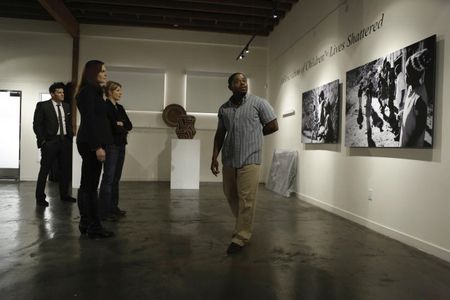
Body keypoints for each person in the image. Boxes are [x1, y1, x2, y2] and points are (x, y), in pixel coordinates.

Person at [211, 73, 278, 255]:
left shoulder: (259, 103)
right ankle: (243, 223)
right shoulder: (224, 109)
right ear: (230, 86)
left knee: (247, 198)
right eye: (237, 82)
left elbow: (273, 125)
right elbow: (220, 134)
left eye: (244, 81)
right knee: (230, 194)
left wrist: (254, 136)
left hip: (251, 158)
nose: (242, 84)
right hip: (230, 159)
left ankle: (241, 236)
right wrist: (214, 157)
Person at [75, 60, 114, 238]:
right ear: (93, 73)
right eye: (102, 71)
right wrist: (97, 146)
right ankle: (94, 226)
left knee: (87, 185)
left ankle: (86, 222)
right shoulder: (87, 93)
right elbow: (90, 122)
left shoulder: (94, 92)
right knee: (90, 187)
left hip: (91, 143)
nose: (106, 74)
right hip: (91, 144)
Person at [33, 82, 76, 206]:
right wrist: (42, 141)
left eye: (63, 92)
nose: (62, 94)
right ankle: (40, 198)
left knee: (65, 170)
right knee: (45, 170)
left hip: (64, 142)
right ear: (52, 94)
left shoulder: (67, 106)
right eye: (59, 92)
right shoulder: (43, 106)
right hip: (50, 142)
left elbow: (67, 123)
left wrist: (70, 135)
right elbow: (37, 125)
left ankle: (65, 195)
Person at [99, 81, 132, 221]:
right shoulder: (105, 106)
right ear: (110, 92)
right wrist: (119, 124)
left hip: (121, 145)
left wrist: (120, 124)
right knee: (108, 178)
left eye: (120, 90)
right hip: (111, 146)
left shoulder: (120, 107)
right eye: (117, 90)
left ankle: (113, 207)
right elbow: (111, 127)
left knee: (116, 178)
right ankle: (104, 210)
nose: (120, 93)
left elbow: (129, 125)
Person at [400, 49, 430, 147]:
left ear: (411, 76)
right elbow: (411, 109)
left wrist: (408, 146)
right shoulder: (410, 88)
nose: (404, 76)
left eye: (406, 74)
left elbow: (421, 126)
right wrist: (403, 113)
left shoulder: (419, 99)